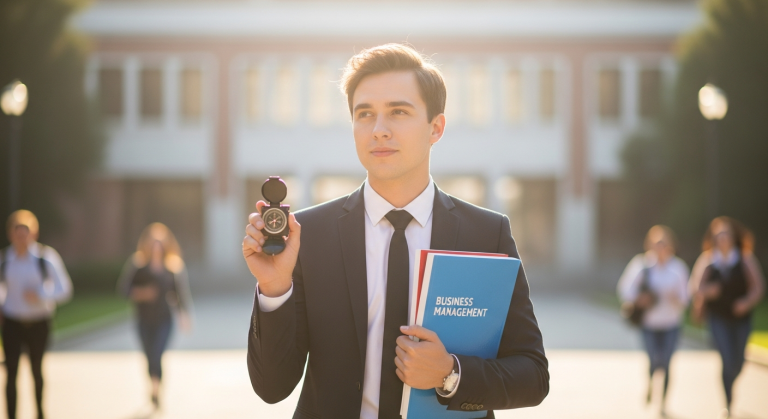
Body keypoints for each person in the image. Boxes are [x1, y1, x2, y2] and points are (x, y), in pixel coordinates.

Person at [242, 44, 549, 419]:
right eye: (364, 114)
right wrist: (274, 289)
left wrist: (450, 373)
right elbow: (272, 389)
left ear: (435, 127)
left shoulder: (487, 233)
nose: (379, 130)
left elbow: (533, 375)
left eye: (398, 112)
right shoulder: (309, 236)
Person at [0, 210, 73, 419]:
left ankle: (40, 413)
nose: (21, 238)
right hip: (13, 322)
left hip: (39, 321)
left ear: (33, 234)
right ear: (11, 235)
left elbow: (65, 289)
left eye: (25, 233)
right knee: (11, 372)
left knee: (36, 370)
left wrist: (41, 295)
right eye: (17, 233)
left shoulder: (45, 258)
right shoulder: (5, 260)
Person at [690, 216, 765, 417]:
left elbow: (758, 287)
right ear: (714, 238)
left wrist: (746, 302)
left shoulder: (744, 259)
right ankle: (728, 402)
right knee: (726, 359)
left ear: (733, 237)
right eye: (719, 235)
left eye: (726, 234)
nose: (723, 239)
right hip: (718, 317)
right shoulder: (708, 260)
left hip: (741, 318)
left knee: (739, 361)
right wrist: (707, 292)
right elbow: (696, 288)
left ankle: (731, 385)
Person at [118, 223, 192, 409]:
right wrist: (142, 293)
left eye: (160, 244)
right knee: (149, 355)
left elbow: (180, 294)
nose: (156, 248)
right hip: (143, 319)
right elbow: (124, 290)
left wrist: (184, 315)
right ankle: (152, 386)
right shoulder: (138, 266)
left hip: (164, 319)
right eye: (153, 244)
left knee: (157, 353)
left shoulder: (171, 268)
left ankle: (157, 391)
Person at [617, 225, 689, 417]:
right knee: (653, 360)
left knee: (666, 361)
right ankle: (650, 383)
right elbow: (624, 289)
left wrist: (676, 298)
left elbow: (685, 298)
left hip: (671, 323)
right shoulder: (641, 265)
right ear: (649, 245)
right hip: (649, 324)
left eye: (663, 243)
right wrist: (639, 299)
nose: (660, 247)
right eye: (656, 243)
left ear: (671, 245)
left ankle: (663, 402)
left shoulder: (678, 268)